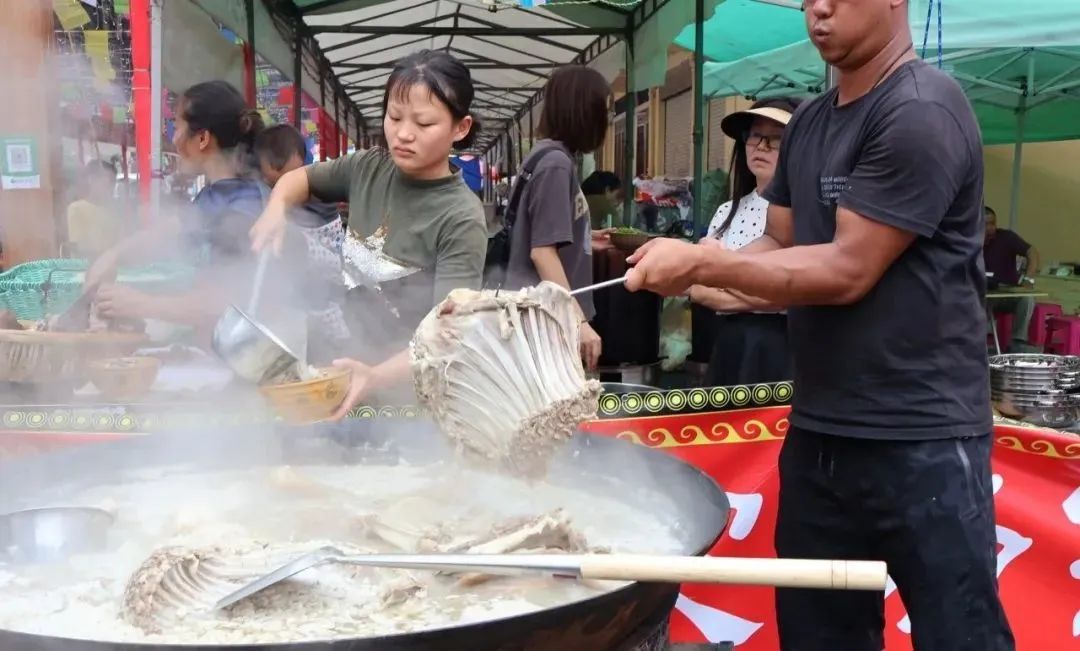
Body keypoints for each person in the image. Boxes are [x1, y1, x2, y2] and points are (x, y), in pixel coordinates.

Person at [623, 1, 1013, 649]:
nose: (819, 10)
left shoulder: (920, 110)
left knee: (958, 632)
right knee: (818, 634)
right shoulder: (807, 124)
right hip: (820, 432)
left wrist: (701, 261)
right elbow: (778, 246)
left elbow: (847, 268)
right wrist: (687, 277)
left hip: (923, 440)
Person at [249, 50, 487, 416]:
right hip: (343, 380)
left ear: (461, 128)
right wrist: (276, 207)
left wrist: (375, 376)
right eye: (394, 117)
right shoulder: (368, 168)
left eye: (423, 124)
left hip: (413, 402)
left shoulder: (461, 217)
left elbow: (449, 334)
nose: (403, 134)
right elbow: (299, 179)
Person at [88, 81, 304, 340]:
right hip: (220, 350)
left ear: (202, 138)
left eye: (177, 126)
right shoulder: (215, 194)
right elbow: (169, 230)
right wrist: (114, 255)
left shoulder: (243, 206)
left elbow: (232, 300)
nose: (173, 137)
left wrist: (141, 304)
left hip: (254, 356)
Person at [504, 65, 610, 369]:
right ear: (583, 110)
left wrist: (587, 234)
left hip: (542, 319)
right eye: (603, 108)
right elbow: (542, 253)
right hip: (546, 323)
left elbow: (540, 230)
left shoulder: (548, 156)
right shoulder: (556, 164)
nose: (606, 118)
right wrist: (578, 323)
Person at [691, 97, 800, 387]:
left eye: (775, 139)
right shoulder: (727, 211)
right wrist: (768, 294)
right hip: (731, 344)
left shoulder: (805, 213)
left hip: (783, 348)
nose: (761, 147)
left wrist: (725, 278)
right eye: (754, 136)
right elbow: (699, 289)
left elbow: (795, 294)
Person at [254, 124, 349, 363]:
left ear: (296, 159)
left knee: (329, 363)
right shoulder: (284, 200)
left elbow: (325, 262)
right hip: (307, 310)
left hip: (329, 311)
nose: (269, 181)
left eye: (272, 171)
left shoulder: (316, 197)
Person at [983, 205, 1039, 352]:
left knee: (1027, 298)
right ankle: (976, 343)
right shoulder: (969, 242)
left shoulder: (1006, 237)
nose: (990, 228)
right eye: (985, 224)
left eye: (992, 223)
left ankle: (1017, 342)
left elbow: (1032, 252)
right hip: (981, 295)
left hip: (1006, 295)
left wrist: (1029, 279)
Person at [66, 159, 122, 259]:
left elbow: (119, 243)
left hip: (112, 267)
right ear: (92, 180)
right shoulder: (76, 208)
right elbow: (77, 248)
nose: (111, 188)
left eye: (113, 183)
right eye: (107, 182)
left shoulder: (113, 211)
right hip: (83, 269)